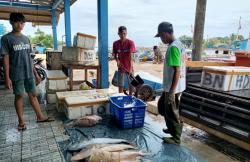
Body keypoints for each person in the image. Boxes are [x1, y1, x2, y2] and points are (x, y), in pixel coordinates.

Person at [1, 13, 53, 131]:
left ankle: (40, 117)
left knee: (33, 95)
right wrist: (7, 77)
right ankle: (21, 122)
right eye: (17, 22)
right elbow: (6, 58)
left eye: (22, 22)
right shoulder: (6, 39)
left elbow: (30, 58)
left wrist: (36, 74)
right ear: (11, 23)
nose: (20, 25)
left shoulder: (26, 38)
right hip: (16, 73)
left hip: (29, 72)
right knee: (19, 96)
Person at [155, 22, 186, 144]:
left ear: (165, 34)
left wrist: (172, 91)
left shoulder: (173, 47)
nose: (161, 39)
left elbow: (177, 70)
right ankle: (172, 128)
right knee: (163, 107)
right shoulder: (179, 44)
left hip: (173, 87)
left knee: (171, 111)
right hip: (175, 85)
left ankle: (176, 137)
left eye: (161, 37)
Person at [112, 26, 136, 95]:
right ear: (118, 33)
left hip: (129, 67)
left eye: (124, 33)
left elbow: (131, 55)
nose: (122, 35)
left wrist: (131, 68)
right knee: (120, 84)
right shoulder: (115, 43)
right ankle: (121, 96)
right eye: (121, 33)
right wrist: (117, 61)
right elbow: (114, 55)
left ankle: (131, 96)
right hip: (121, 67)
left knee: (131, 83)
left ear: (126, 33)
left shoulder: (130, 42)